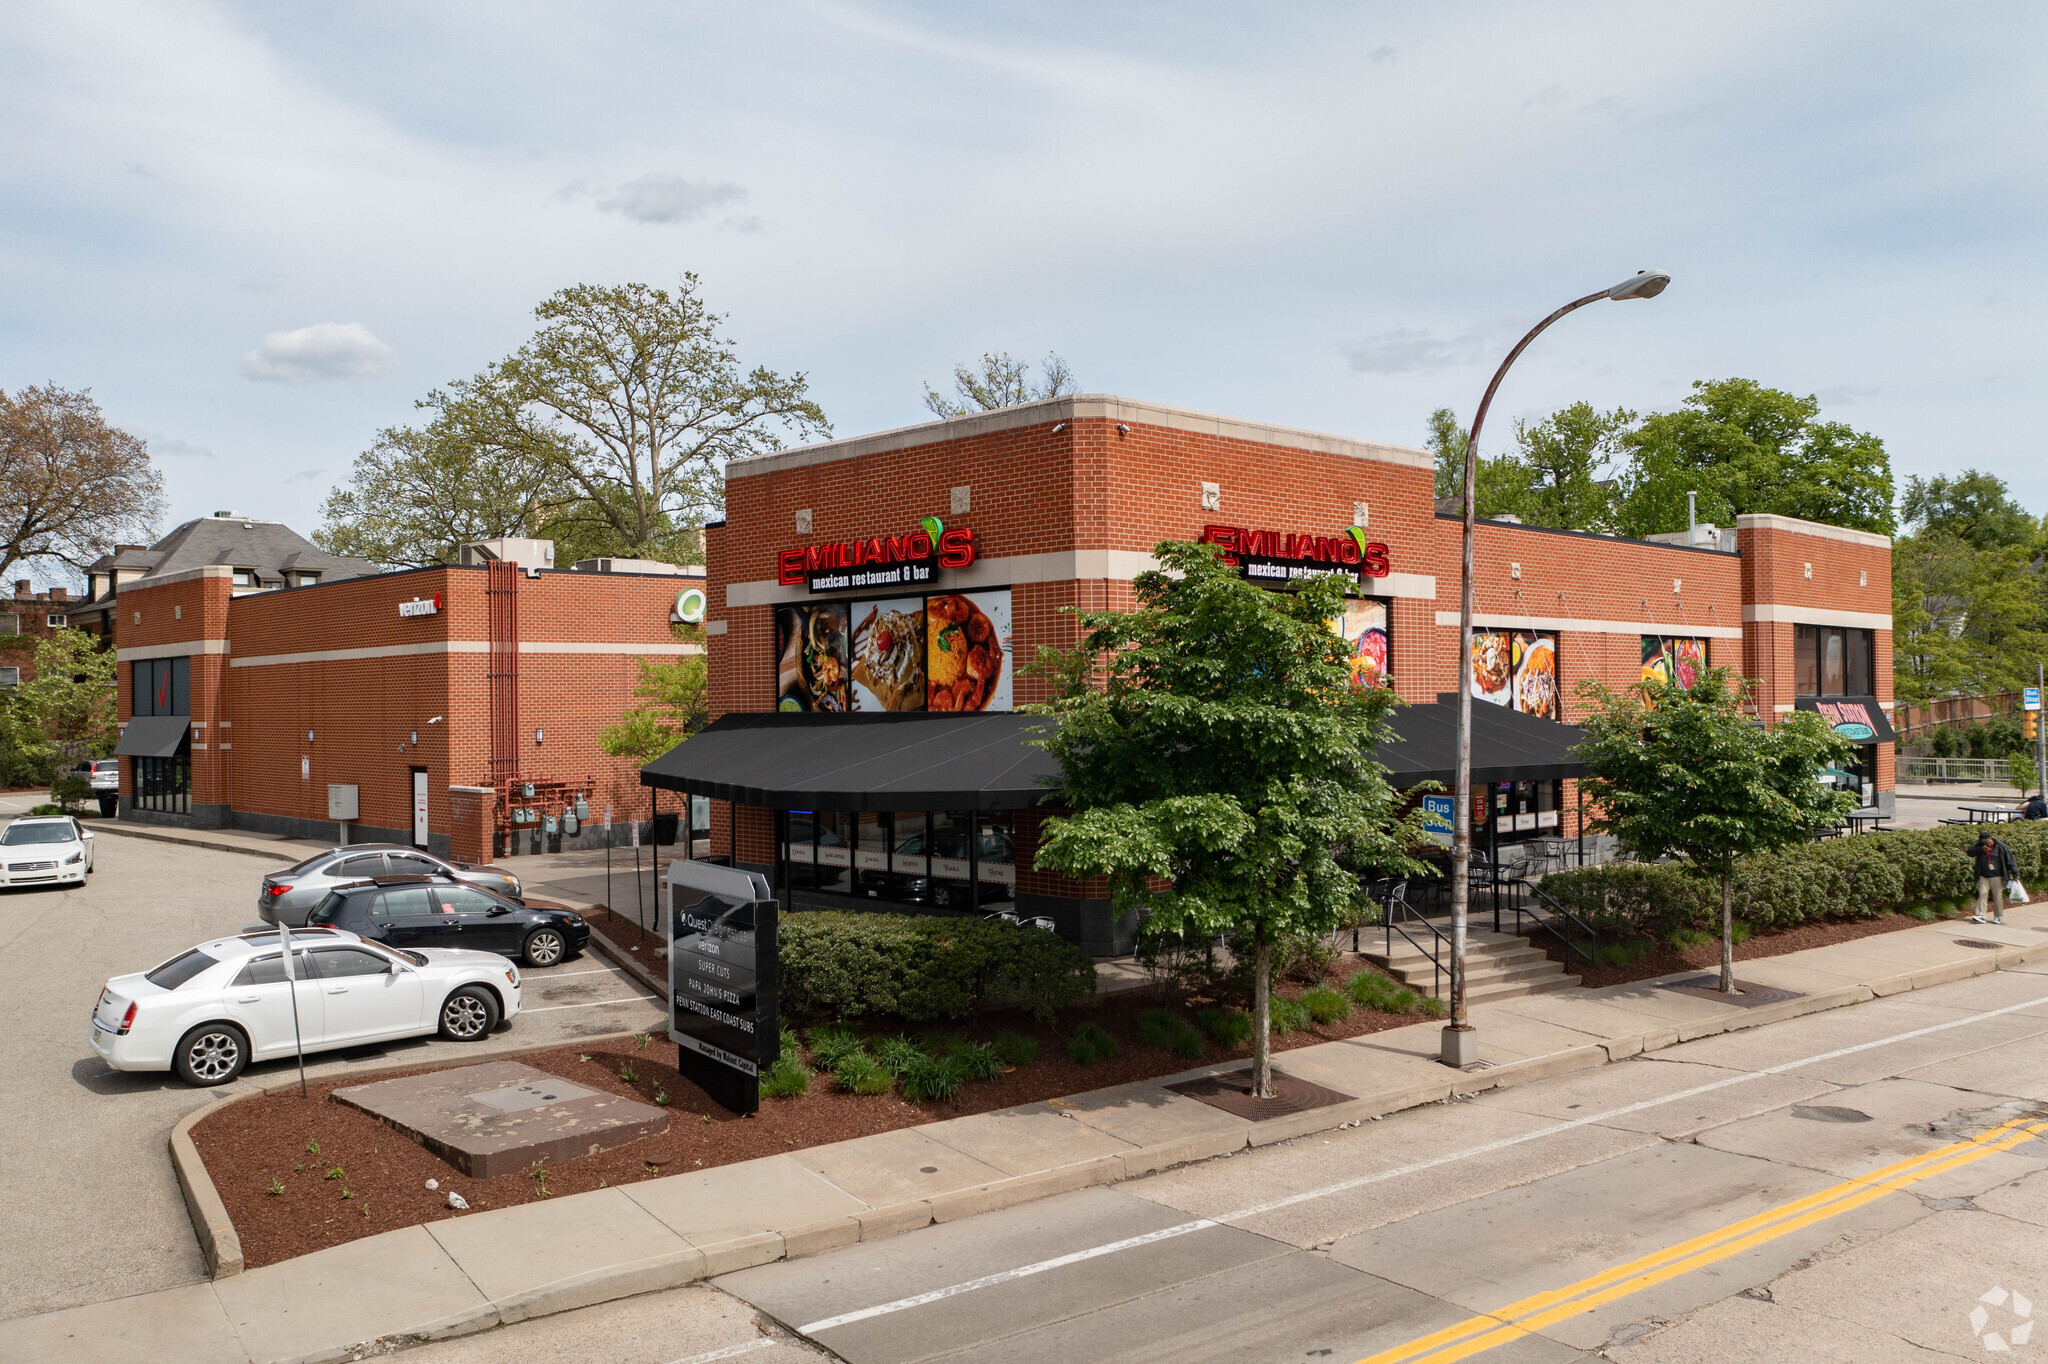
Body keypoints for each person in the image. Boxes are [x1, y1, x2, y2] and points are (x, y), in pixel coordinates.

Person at [1970, 831, 2016, 924]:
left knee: (1997, 897)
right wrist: (1980, 849)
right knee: (1982, 893)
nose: (1985, 843)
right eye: (1983, 841)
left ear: (1991, 839)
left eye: (1987, 841)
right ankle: (1981, 915)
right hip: (1983, 875)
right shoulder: (1980, 845)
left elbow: (2010, 860)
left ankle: (1997, 916)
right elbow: (1969, 852)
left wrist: (2015, 873)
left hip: (1997, 875)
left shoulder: (2001, 846)